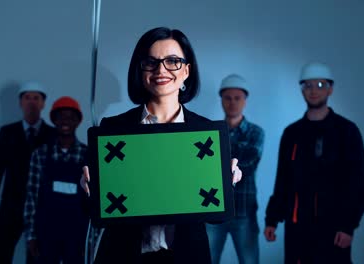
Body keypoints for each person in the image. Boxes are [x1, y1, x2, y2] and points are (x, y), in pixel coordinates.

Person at [80, 27, 242, 264]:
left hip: (186, 256)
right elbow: (99, 212)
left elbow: (215, 217)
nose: (161, 70)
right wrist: (88, 189)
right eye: (151, 62)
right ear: (140, 69)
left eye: (173, 61)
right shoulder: (114, 129)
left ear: (186, 70)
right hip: (124, 255)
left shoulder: (206, 132)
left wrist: (228, 184)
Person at [264, 62, 364, 264]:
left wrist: (348, 226)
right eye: (308, 86)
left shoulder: (346, 131)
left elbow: (356, 182)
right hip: (298, 228)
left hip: (333, 228)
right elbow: (283, 179)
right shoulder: (292, 133)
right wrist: (272, 219)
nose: (313, 91)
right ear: (302, 90)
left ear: (330, 89)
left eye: (320, 85)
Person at [0, 82, 55, 264]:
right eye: (27, 97)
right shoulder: (7, 133)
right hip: (11, 205)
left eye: (36, 98)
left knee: (36, 257)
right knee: (0, 255)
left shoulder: (52, 134)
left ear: (43, 103)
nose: (31, 101)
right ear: (20, 102)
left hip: (41, 207)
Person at [206, 74, 264, 264]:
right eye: (227, 98)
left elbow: (247, 166)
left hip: (243, 212)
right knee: (207, 259)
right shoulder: (210, 131)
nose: (232, 103)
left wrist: (219, 166)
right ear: (221, 100)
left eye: (237, 98)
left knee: (249, 261)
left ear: (245, 100)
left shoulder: (256, 132)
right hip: (215, 209)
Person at [23, 96, 88, 263]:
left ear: (78, 121)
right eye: (61, 117)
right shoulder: (40, 155)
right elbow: (31, 197)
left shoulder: (87, 155)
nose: (65, 121)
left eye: (70, 117)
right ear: (54, 120)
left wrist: (92, 238)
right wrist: (31, 236)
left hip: (77, 234)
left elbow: (93, 199)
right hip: (46, 233)